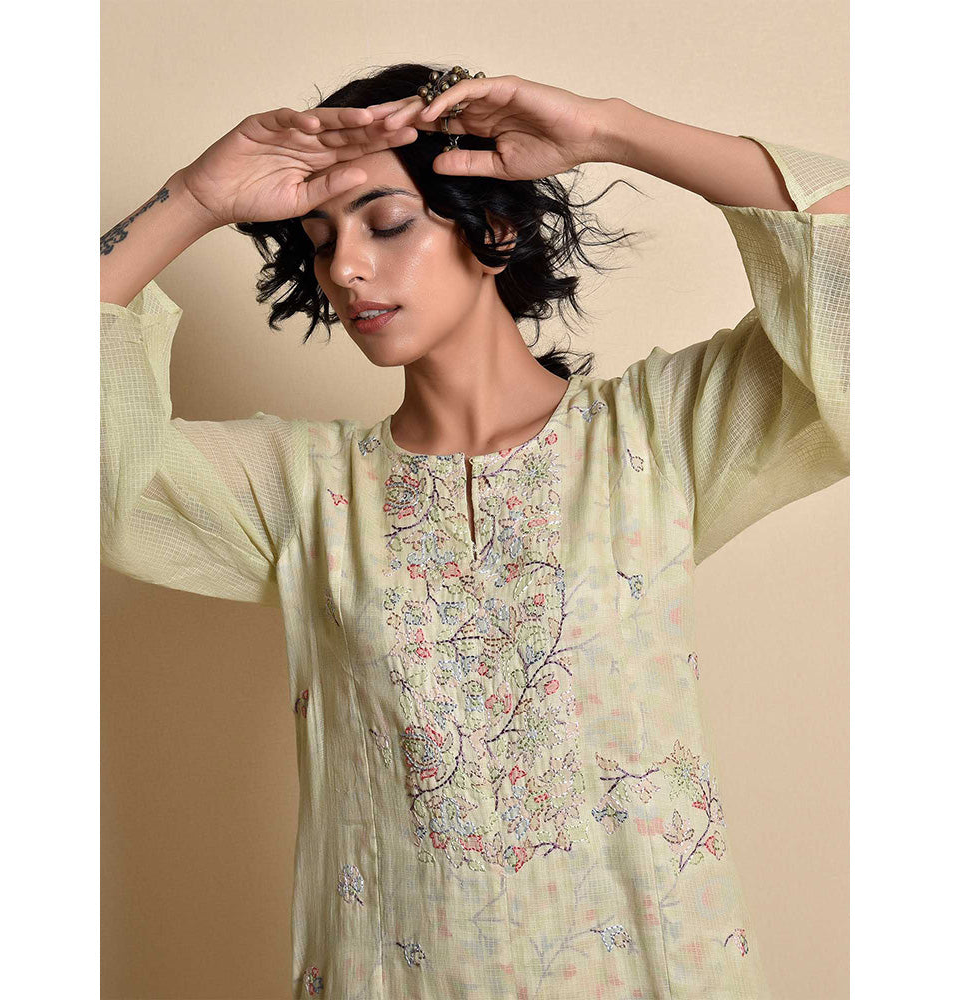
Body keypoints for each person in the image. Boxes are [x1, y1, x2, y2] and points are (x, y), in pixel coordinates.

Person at [100, 63, 849, 1000]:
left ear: (492, 229)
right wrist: (195, 197)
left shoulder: (658, 437)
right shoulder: (304, 492)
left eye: (385, 223)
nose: (344, 268)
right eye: (322, 241)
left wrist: (610, 130)